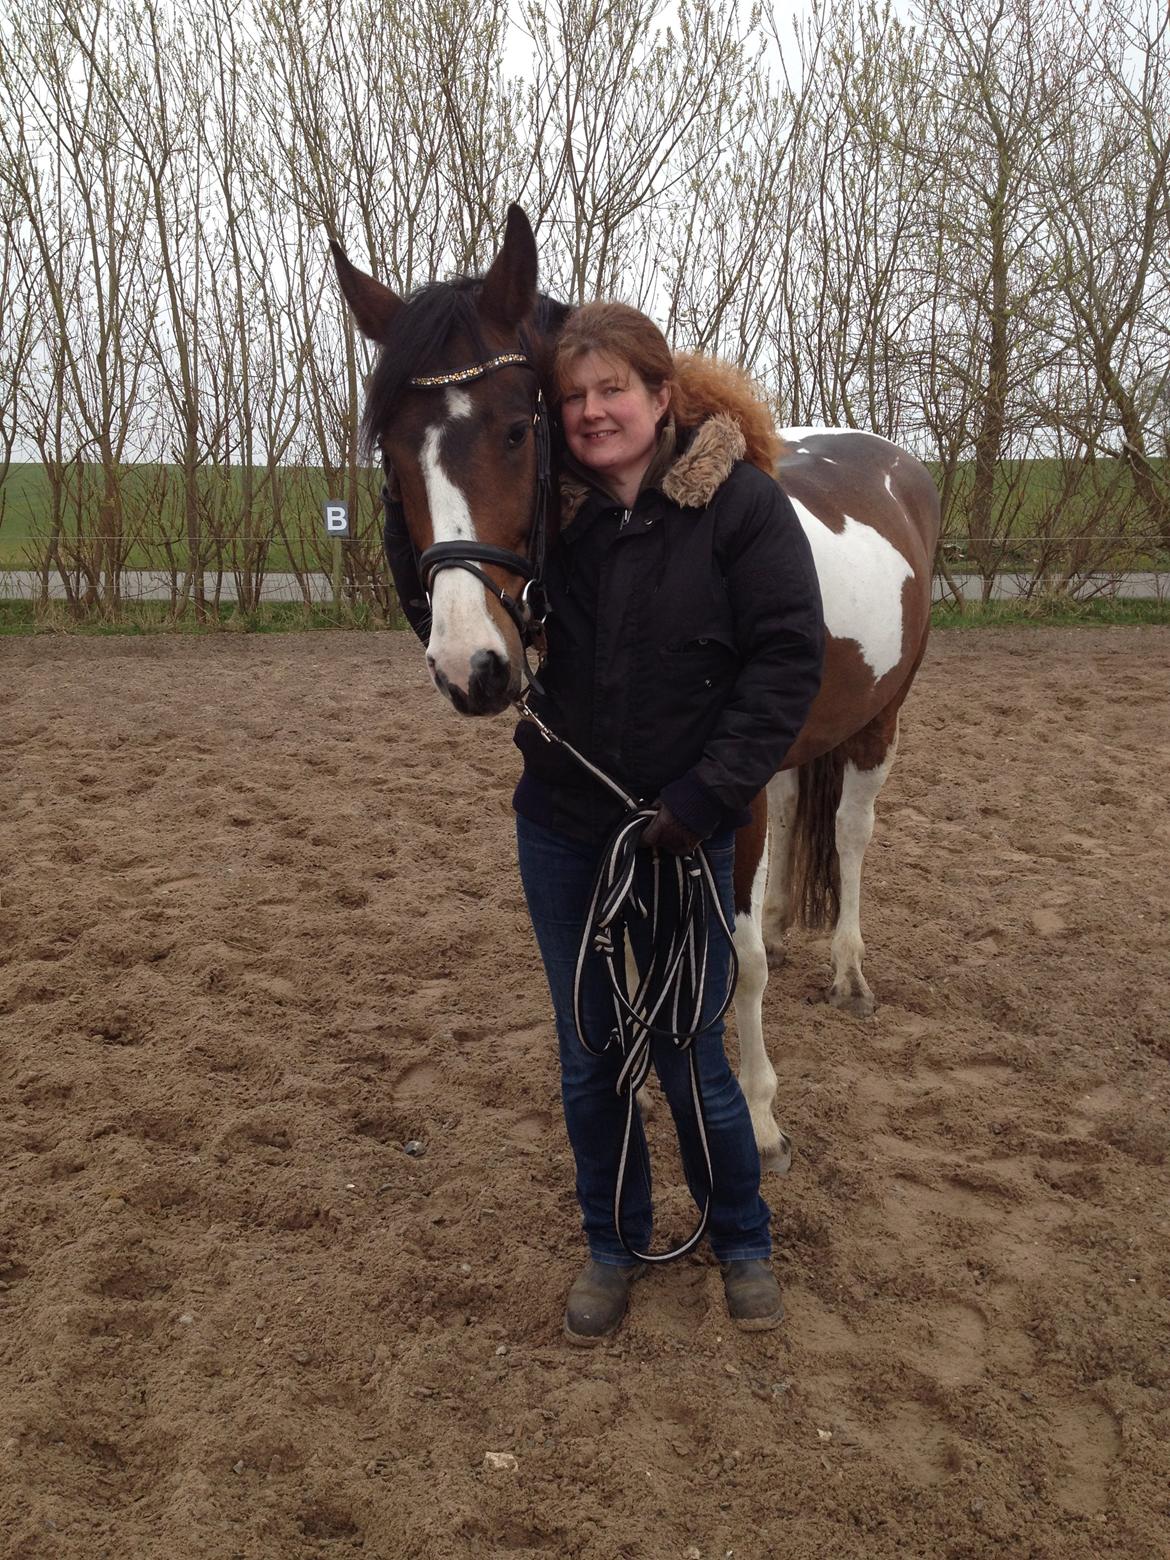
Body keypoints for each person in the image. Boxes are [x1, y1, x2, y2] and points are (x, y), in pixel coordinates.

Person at [511, 302, 826, 1343]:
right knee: (589, 1049)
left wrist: (703, 801)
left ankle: (741, 1237)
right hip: (568, 825)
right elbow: (448, 579)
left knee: (693, 1047)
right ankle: (612, 1245)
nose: (592, 412)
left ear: (661, 396)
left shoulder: (740, 508)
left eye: (612, 391)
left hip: (686, 827)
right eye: (573, 398)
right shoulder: (547, 513)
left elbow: (788, 663)